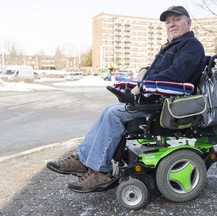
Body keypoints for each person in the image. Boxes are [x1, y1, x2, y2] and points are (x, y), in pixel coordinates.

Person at [46, 6, 206, 193]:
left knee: (114, 114)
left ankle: (100, 172)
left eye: (177, 19)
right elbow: (161, 70)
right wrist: (144, 71)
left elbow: (176, 75)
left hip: (167, 108)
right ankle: (82, 161)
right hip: (154, 101)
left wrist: (145, 84)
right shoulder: (172, 46)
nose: (171, 24)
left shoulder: (191, 46)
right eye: (168, 22)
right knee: (109, 110)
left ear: (189, 22)